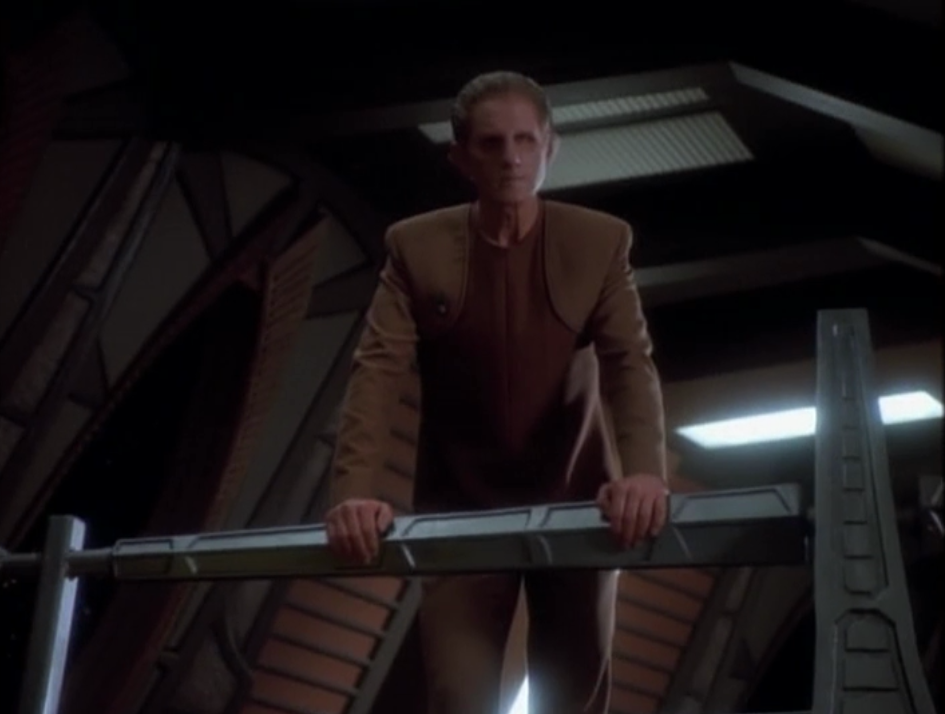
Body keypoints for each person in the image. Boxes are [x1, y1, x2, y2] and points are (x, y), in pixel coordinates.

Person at [325, 70, 669, 714]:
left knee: (573, 695)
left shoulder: (599, 241)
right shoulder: (415, 248)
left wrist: (645, 474)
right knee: (458, 694)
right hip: (461, 504)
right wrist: (355, 494)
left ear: (550, 147)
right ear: (461, 158)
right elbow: (376, 370)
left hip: (577, 499)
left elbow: (629, 361)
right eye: (490, 143)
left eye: (525, 140)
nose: (511, 157)